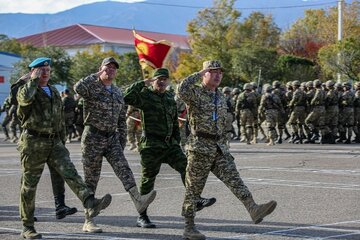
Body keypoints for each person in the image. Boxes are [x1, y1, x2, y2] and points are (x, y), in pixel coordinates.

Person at [178, 60, 277, 240]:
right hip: (200, 147)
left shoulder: (220, 97)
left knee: (235, 179)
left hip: (219, 147)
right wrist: (198, 73)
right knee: (194, 189)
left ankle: (253, 208)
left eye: (220, 72)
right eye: (212, 71)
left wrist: (225, 147)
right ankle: (189, 226)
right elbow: (181, 89)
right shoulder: (195, 92)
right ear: (205, 73)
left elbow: (222, 124)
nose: (217, 75)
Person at [16, 57, 112, 239]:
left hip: (55, 142)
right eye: (41, 70)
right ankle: (27, 226)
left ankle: (90, 202)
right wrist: (32, 80)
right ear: (33, 72)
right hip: (33, 142)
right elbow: (24, 100)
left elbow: (59, 117)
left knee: (70, 172)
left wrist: (62, 140)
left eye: (48, 70)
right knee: (29, 186)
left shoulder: (53, 90)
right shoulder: (27, 89)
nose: (45, 72)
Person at [123, 68, 216, 228]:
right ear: (153, 81)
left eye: (164, 79)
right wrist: (143, 82)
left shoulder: (169, 98)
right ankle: (142, 216)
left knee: (187, 168)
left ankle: (195, 199)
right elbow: (127, 96)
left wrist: (176, 141)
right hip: (151, 145)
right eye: (158, 79)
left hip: (169, 145)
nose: (162, 82)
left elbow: (174, 122)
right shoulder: (145, 95)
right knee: (148, 180)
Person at [74, 57, 156, 233]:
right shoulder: (92, 87)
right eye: (107, 67)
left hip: (112, 139)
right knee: (91, 179)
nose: (110, 70)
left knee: (124, 170)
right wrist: (96, 75)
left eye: (113, 68)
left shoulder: (118, 92)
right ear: (100, 69)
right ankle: (88, 220)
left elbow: (121, 119)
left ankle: (138, 201)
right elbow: (78, 88)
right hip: (93, 137)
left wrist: (121, 142)